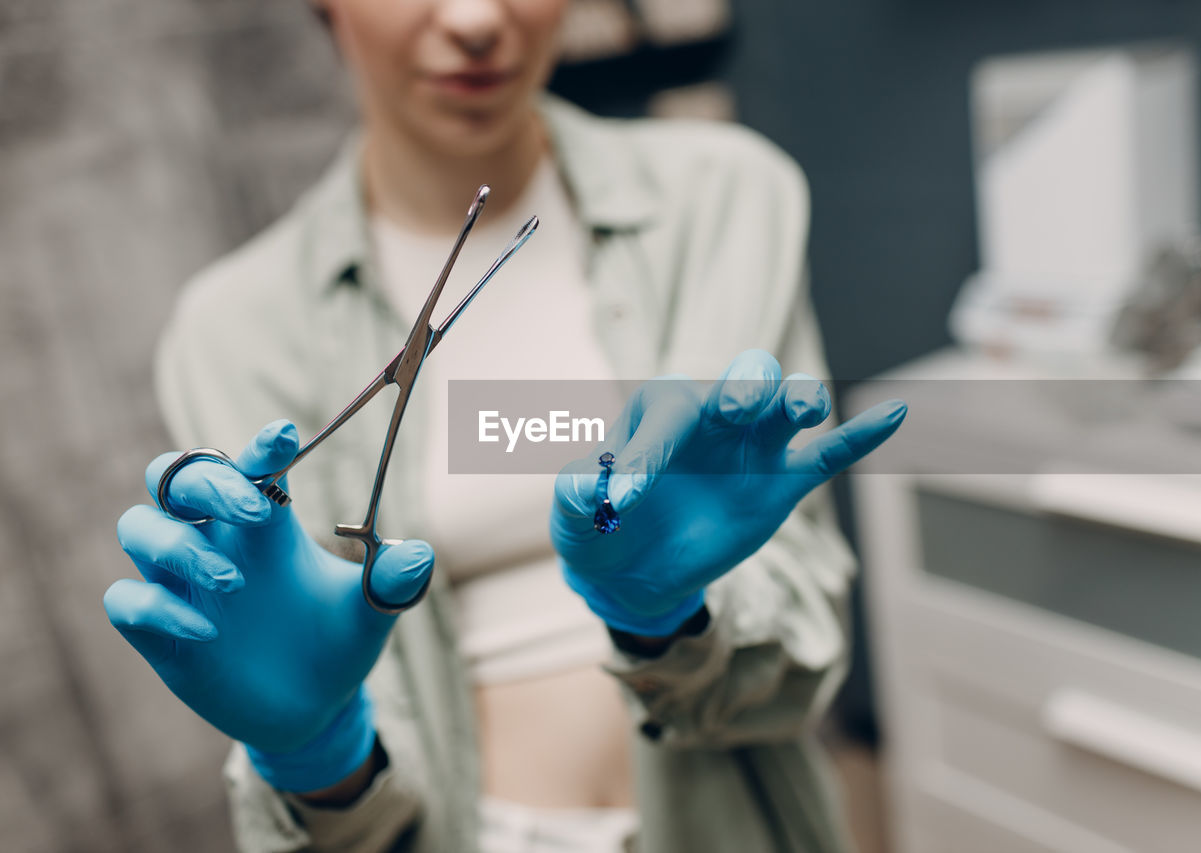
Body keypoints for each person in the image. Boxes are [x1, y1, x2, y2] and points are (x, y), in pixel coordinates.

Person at [104, 1, 906, 851]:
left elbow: (807, 656)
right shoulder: (232, 329)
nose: (480, 18)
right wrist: (314, 755)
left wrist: (669, 618)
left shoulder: (729, 199)